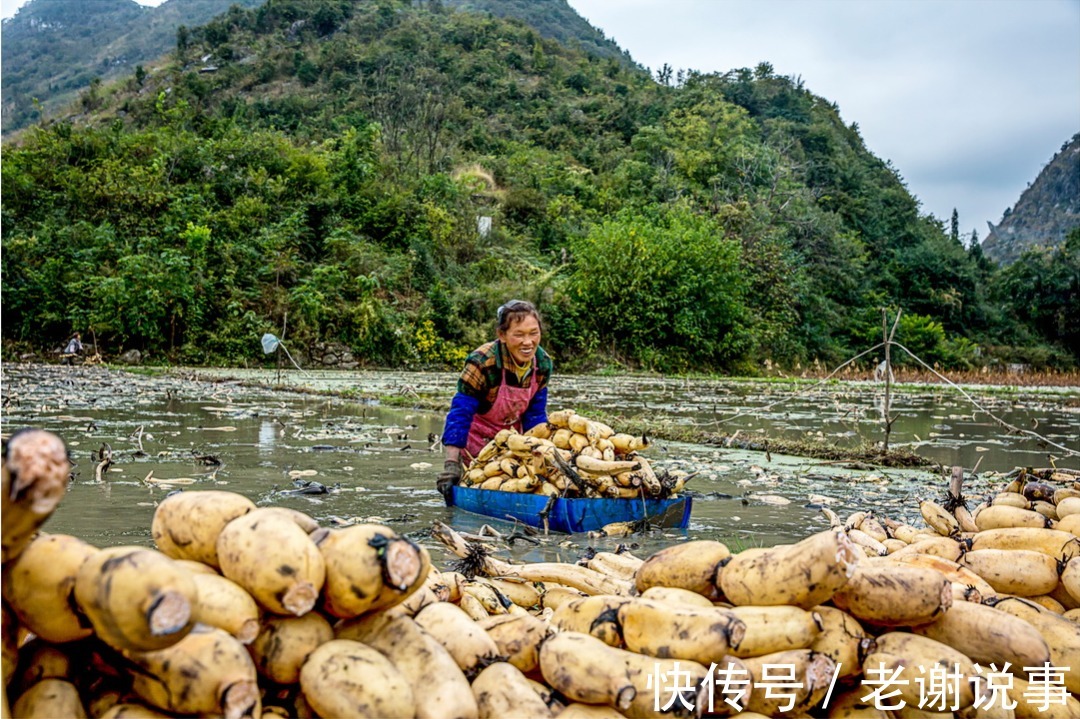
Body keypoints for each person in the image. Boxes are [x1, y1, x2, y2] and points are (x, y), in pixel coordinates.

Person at [437, 300, 552, 499]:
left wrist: (541, 455)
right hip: (475, 442)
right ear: (502, 335)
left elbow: (535, 417)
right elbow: (461, 412)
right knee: (474, 486)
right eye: (519, 334)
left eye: (534, 333)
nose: (528, 342)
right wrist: (451, 463)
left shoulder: (542, 364)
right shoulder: (482, 361)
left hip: (511, 440)